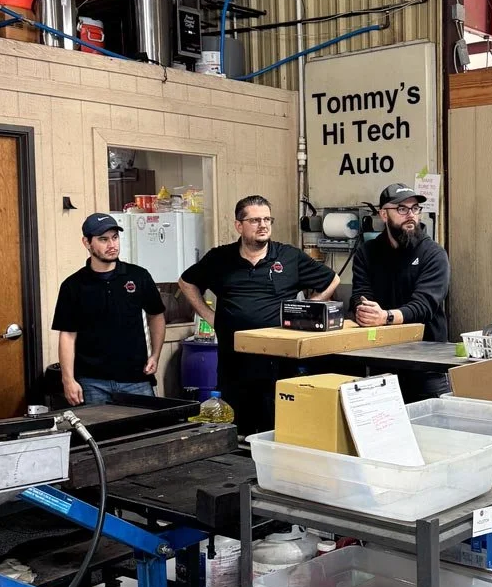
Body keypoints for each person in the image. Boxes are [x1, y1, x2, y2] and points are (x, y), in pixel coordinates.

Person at [178, 195, 338, 435]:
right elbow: (186, 282)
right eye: (255, 220)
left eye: (267, 219)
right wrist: (210, 316)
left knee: (277, 430)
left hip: (278, 366)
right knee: (236, 431)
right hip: (234, 366)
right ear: (239, 225)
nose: (263, 225)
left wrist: (308, 309)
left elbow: (331, 279)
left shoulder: (288, 257)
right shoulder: (220, 258)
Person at [350, 183, 451, 402]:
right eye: (402, 209)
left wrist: (384, 317)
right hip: (382, 362)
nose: (411, 215)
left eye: (415, 209)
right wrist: (363, 309)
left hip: (426, 366)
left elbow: (424, 306)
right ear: (384, 214)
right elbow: (360, 294)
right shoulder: (367, 253)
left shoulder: (433, 254)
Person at [52, 213, 166, 406]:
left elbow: (156, 316)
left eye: (115, 237)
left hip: (136, 378)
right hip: (91, 381)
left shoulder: (139, 276)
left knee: (146, 433)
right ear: (87, 243)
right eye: (103, 240)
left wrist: (155, 354)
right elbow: (68, 335)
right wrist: (68, 379)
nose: (112, 245)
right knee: (99, 435)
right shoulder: (73, 286)